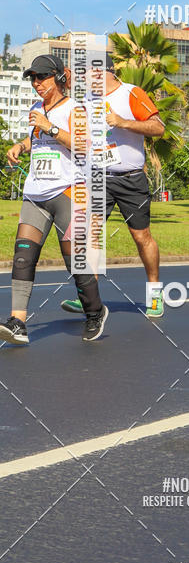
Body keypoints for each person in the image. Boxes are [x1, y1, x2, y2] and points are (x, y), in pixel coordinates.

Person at [0, 55, 108, 345]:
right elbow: (36, 139)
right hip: (36, 194)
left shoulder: (75, 109)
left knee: (76, 262)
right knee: (23, 255)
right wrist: (20, 146)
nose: (37, 83)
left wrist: (51, 127)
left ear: (60, 77)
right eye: (33, 78)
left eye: (43, 77)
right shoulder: (36, 109)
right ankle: (18, 322)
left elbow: (88, 147)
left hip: (68, 193)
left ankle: (95, 312)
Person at [60, 54, 166, 318]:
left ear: (105, 72)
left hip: (130, 178)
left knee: (141, 237)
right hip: (98, 177)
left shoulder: (131, 93)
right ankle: (89, 298)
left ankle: (154, 293)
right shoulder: (85, 101)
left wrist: (122, 122)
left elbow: (158, 127)